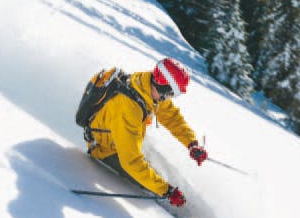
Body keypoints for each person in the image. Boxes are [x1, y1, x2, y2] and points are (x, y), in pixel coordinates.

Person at [85, 57, 208, 207]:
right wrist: (167, 191)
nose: (170, 98)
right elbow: (131, 162)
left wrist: (191, 143)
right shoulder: (128, 109)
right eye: (172, 93)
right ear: (163, 87)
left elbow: (172, 118)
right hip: (105, 149)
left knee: (157, 168)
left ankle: (165, 189)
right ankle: (164, 203)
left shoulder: (146, 87)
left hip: (124, 139)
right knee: (149, 181)